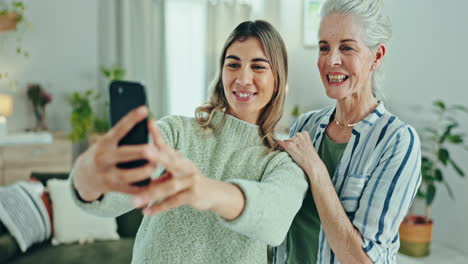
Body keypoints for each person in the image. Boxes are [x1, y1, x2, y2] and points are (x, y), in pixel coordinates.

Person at [70, 20, 308, 264]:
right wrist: (87, 183)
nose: (243, 78)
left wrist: (206, 191)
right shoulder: (176, 132)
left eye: (258, 67)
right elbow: (118, 194)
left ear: (278, 79)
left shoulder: (280, 162)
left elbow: (274, 222)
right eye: (233, 64)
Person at [277, 0, 422, 263]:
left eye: (347, 47)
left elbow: (361, 260)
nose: (332, 60)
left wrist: (316, 169)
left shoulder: (397, 141)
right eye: (324, 48)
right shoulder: (306, 126)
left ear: (376, 56)